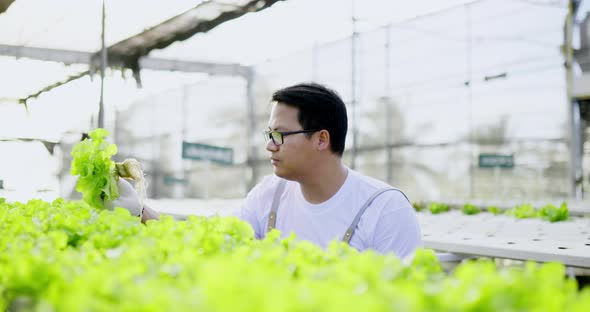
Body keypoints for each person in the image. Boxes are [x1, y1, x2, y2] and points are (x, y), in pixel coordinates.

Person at [111, 82, 422, 259]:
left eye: (280, 136)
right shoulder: (270, 194)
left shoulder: (384, 209)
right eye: (269, 135)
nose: (270, 146)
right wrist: (141, 212)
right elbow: (215, 240)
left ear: (321, 139)